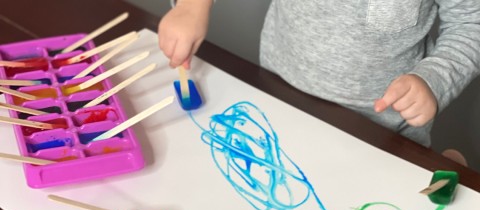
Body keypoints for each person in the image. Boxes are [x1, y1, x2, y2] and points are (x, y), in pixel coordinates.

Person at [158, 0, 480, 149]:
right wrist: (192, 6)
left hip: (383, 134)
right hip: (279, 103)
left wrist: (434, 80)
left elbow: (471, 24)